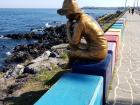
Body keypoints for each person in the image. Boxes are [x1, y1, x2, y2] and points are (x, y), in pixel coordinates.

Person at [57, 0, 108, 68]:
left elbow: (74, 43)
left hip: (98, 53)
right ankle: (75, 62)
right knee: (73, 47)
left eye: (67, 14)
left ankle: (70, 66)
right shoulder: (85, 17)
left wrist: (68, 28)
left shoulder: (80, 23)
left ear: (72, 13)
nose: (66, 17)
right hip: (102, 48)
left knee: (70, 52)